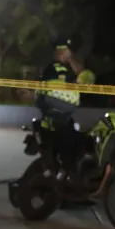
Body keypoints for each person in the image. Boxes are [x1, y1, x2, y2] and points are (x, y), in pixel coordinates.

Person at [35, 37, 82, 179]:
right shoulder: (60, 69)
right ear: (62, 51)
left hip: (54, 116)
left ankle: (62, 172)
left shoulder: (50, 68)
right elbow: (80, 76)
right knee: (73, 143)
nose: (70, 54)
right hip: (57, 118)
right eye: (68, 51)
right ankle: (68, 175)